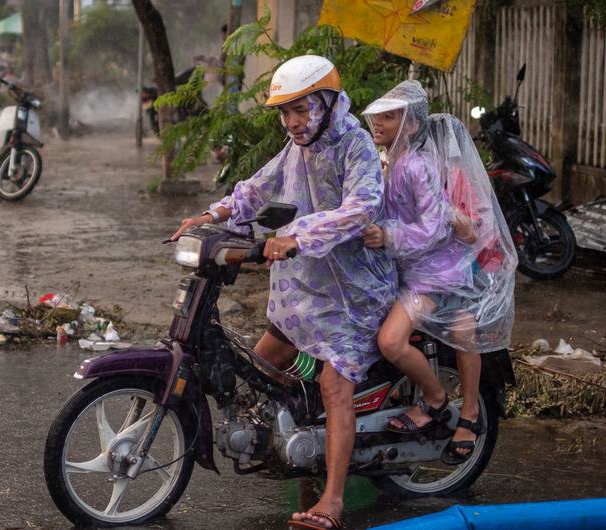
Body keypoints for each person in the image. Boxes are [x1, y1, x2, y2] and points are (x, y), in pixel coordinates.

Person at [171, 55, 396, 530]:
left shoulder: (355, 146)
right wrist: (212, 216)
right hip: (303, 288)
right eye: (284, 112)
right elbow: (257, 188)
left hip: (351, 294)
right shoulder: (298, 148)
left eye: (301, 109)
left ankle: (332, 500)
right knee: (261, 370)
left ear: (328, 103)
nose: (292, 122)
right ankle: (300, 455)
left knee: (334, 385)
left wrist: (299, 235)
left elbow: (363, 208)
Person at [361, 82, 515, 464]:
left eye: (389, 116)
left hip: (435, 273)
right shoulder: (385, 162)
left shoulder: (416, 165)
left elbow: (434, 227)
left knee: (392, 341)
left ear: (411, 125)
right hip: (405, 267)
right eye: (377, 115)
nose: (377, 122)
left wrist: (388, 235)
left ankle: (437, 399)